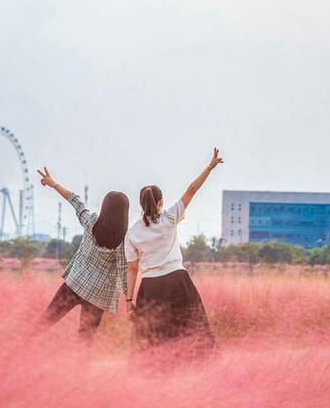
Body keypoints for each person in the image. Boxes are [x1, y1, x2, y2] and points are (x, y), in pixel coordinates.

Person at [124, 148, 223, 350]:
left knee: (151, 339)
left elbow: (132, 269)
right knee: (193, 330)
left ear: (141, 204)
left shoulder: (132, 233)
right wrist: (210, 167)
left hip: (151, 287)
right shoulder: (169, 218)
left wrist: (128, 299)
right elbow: (192, 190)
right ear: (160, 203)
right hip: (177, 282)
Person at [36, 167, 129, 340]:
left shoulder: (91, 221)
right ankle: (78, 368)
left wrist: (53, 183)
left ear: (104, 207)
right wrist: (130, 299)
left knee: (44, 322)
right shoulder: (123, 241)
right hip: (98, 298)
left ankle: (15, 352)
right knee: (85, 340)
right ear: (125, 213)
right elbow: (124, 272)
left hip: (75, 284)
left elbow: (76, 201)